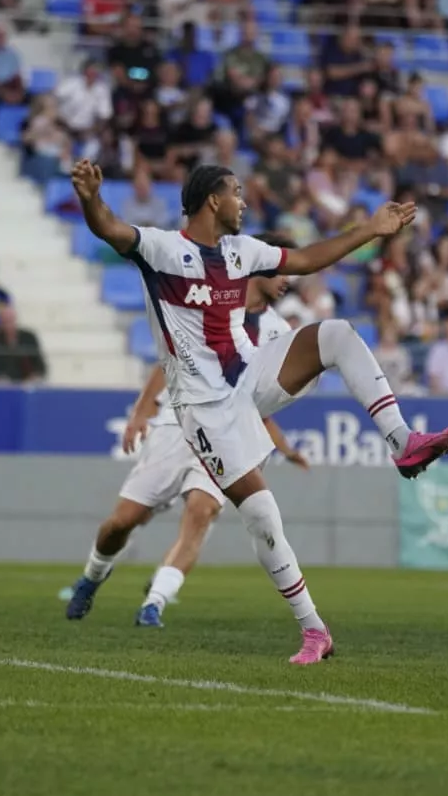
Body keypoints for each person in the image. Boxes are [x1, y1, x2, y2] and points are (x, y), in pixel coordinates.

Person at [70, 160, 448, 662]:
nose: (243, 201)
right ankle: (315, 631)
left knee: (338, 334)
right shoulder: (163, 249)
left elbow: (306, 259)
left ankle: (403, 442)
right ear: (213, 201)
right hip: (203, 409)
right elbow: (107, 226)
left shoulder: (242, 251)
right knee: (262, 515)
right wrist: (89, 198)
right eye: (235, 192)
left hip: (247, 377)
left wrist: (369, 229)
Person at [69, 239, 307, 628]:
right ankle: (93, 575)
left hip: (227, 435)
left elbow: (262, 400)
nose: (288, 281)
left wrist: (284, 447)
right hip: (177, 424)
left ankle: (154, 603)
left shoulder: (279, 333)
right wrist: (142, 410)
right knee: (122, 522)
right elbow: (170, 357)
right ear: (260, 267)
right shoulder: (211, 301)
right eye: (283, 271)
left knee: (202, 511)